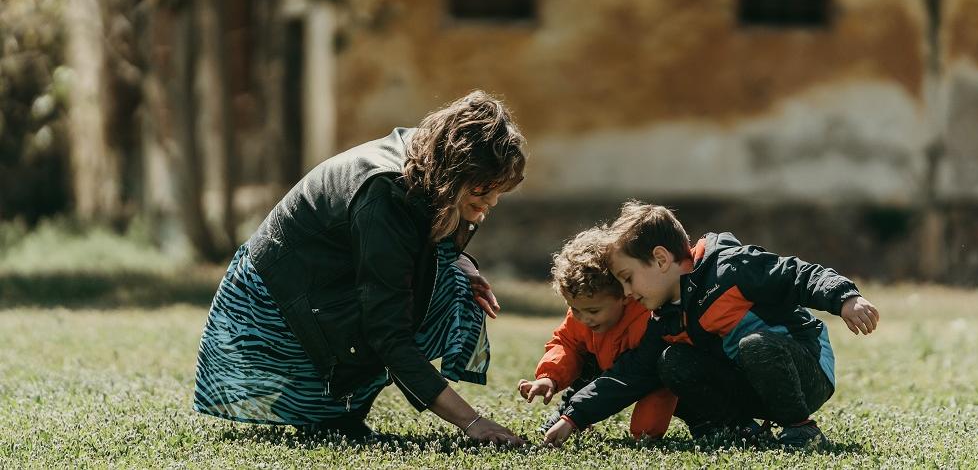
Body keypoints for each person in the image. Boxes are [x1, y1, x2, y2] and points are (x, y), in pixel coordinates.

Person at [193, 90, 526, 446]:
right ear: (456, 167)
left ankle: (336, 410)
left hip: (326, 288)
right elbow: (387, 329)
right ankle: (329, 408)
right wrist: (473, 422)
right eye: (483, 188)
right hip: (270, 303)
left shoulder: (430, 159)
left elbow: (418, 251)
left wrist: (463, 265)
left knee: (453, 287)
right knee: (394, 316)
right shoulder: (386, 193)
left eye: (498, 190)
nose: (492, 201)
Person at [544, 201, 880, 449]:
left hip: (807, 371)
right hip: (752, 383)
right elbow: (629, 374)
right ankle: (737, 431)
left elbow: (798, 275)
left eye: (628, 278)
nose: (628, 292)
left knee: (754, 345)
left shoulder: (731, 268)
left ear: (661, 260)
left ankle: (801, 429)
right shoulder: (664, 317)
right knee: (670, 361)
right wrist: (572, 417)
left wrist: (845, 298)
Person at [516, 227, 677, 440]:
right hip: (605, 365)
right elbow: (565, 344)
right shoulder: (581, 319)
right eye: (574, 309)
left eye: (593, 311)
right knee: (583, 357)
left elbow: (650, 378)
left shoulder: (646, 317)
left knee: (647, 422)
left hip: (646, 375)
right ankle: (568, 413)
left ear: (624, 295)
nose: (584, 318)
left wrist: (647, 432)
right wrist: (549, 378)